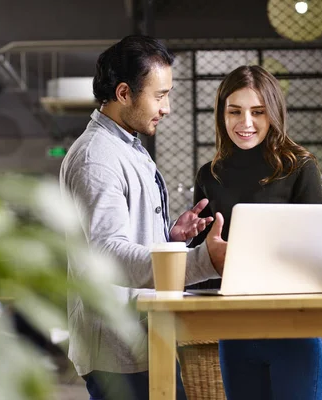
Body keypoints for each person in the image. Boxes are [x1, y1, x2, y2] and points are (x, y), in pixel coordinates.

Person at [59, 35, 227, 400]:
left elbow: (122, 238)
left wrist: (168, 240)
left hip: (141, 338)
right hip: (117, 351)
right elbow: (108, 254)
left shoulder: (127, 146)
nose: (166, 108)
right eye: (160, 95)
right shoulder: (97, 158)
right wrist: (203, 260)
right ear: (123, 93)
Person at [189, 65, 322, 400]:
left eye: (258, 112)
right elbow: (201, 263)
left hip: (294, 329)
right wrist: (188, 240)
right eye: (234, 111)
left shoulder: (299, 166)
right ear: (222, 114)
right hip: (234, 330)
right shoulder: (210, 175)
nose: (245, 123)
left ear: (273, 114)